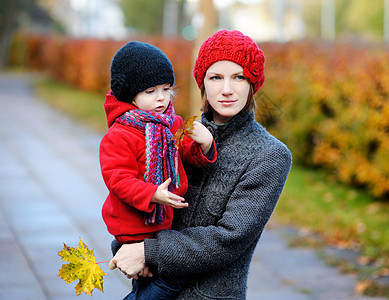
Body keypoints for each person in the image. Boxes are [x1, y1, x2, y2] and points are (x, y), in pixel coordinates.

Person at [109, 30, 292, 299]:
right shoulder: (176, 135)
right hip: (153, 287)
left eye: (239, 77)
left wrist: (147, 251)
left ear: (253, 83)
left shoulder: (269, 155)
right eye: (216, 77)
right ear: (202, 82)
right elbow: (130, 191)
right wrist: (127, 245)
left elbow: (229, 238)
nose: (227, 89)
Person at [100, 41, 216, 299]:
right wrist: (152, 194)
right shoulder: (120, 134)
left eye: (166, 89)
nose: (161, 98)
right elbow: (117, 179)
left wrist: (204, 144)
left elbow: (186, 154)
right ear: (130, 94)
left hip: (160, 229)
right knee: (170, 282)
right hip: (132, 228)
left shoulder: (170, 124)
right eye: (151, 91)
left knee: (151, 285)